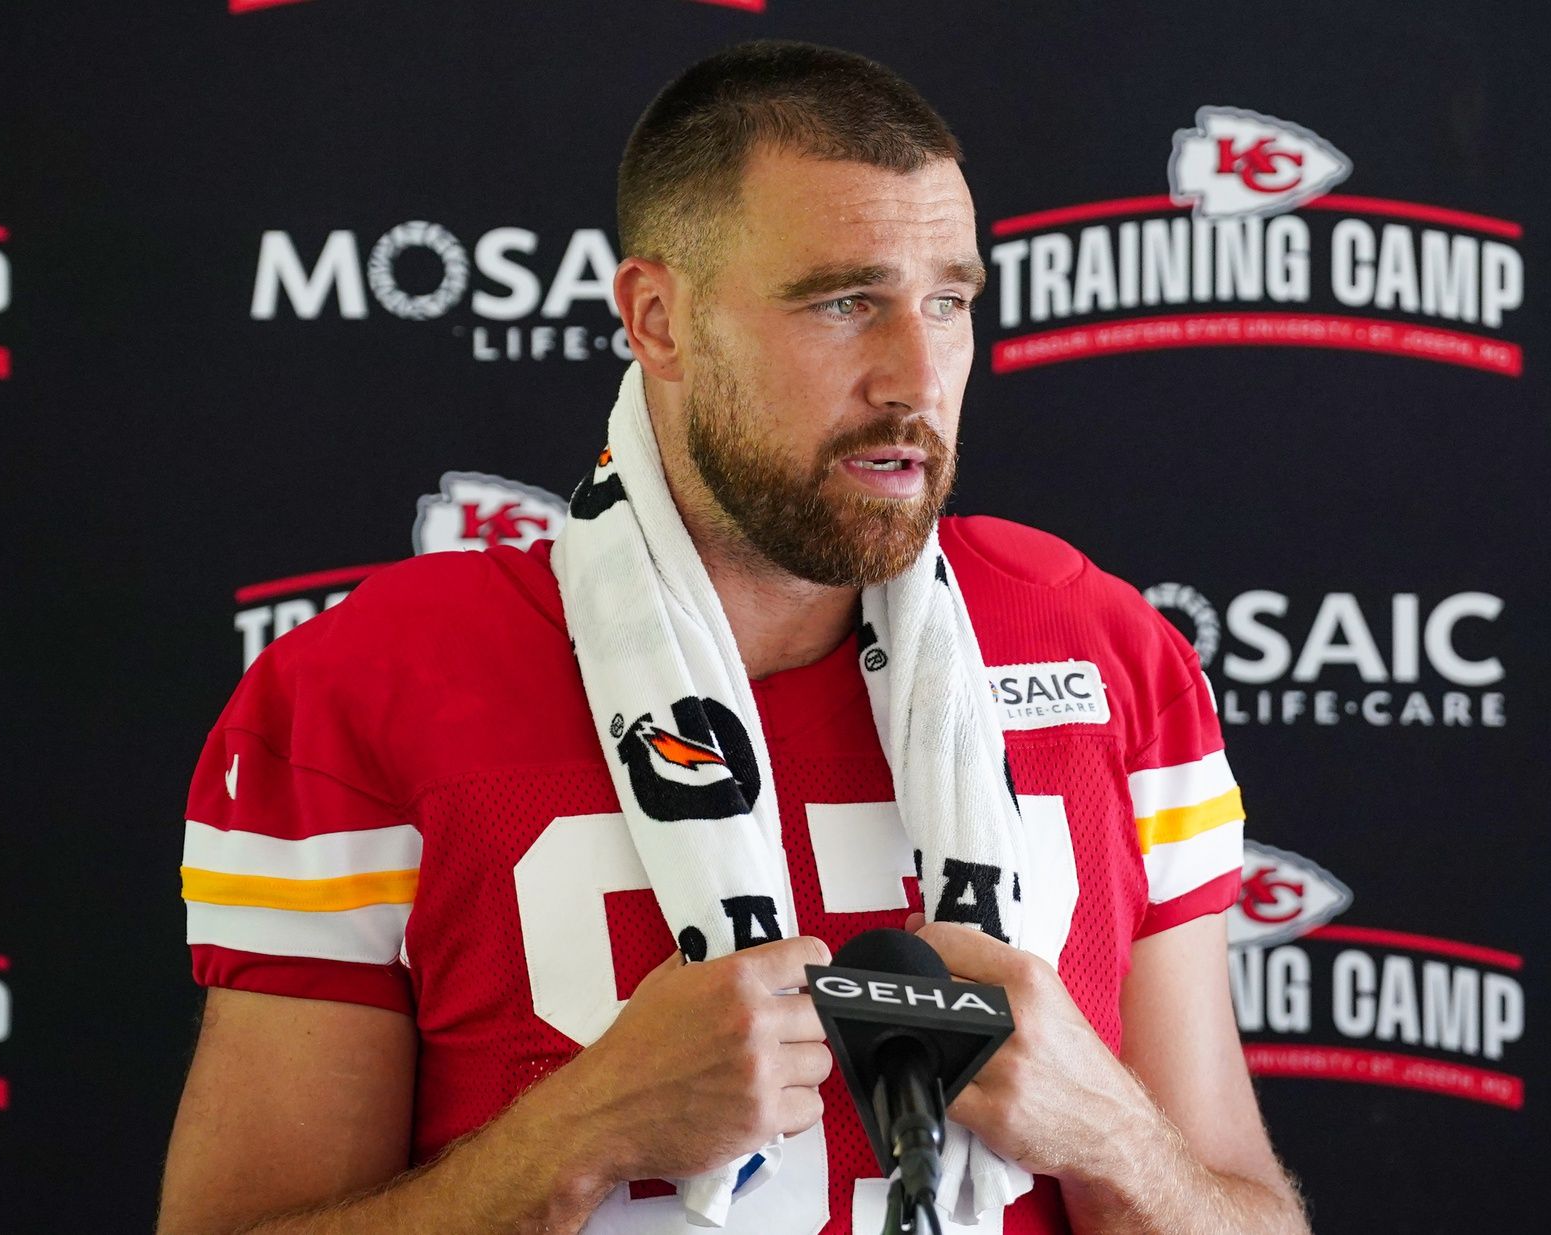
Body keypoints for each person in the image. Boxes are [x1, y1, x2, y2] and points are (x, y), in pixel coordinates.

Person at [157, 39, 1308, 1235]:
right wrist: (582, 1130)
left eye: (950, 302)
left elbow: (1241, 1208)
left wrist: (1111, 1134)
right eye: (843, 301)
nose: (917, 374)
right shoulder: (362, 690)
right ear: (657, 319)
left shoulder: (1104, 650)